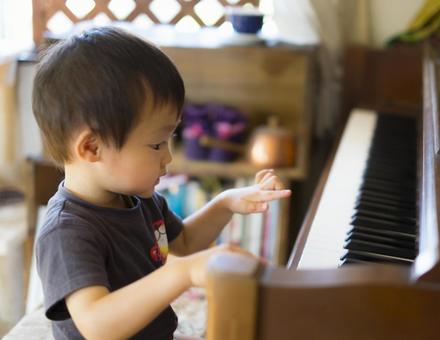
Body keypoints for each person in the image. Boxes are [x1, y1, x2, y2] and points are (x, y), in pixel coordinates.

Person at [33, 26, 291, 340]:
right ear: (92, 147)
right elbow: (97, 325)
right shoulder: (67, 231)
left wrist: (226, 204)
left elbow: (181, 245)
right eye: (157, 144)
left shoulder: (138, 199)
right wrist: (182, 274)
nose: (168, 157)